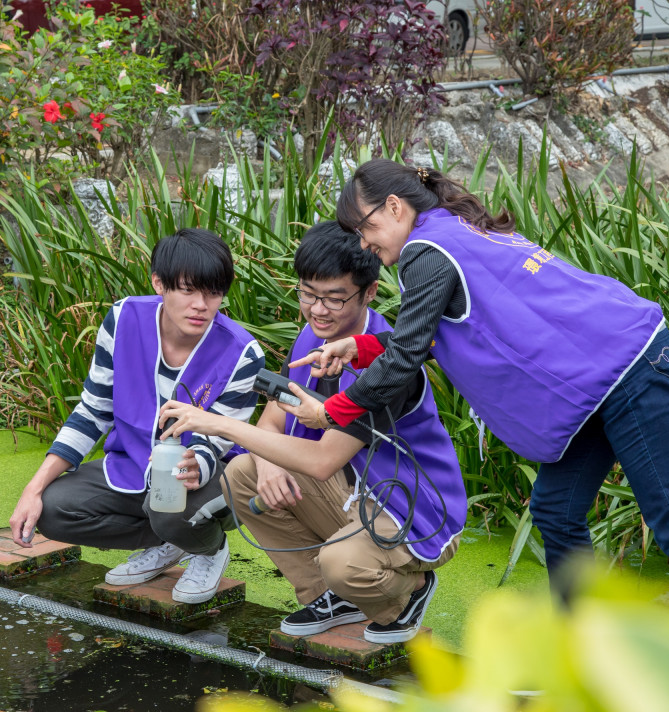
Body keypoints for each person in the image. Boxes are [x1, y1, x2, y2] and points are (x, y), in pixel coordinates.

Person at [289, 159, 669, 596]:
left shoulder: (425, 252)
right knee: (557, 513)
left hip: (628, 371)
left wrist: (331, 411)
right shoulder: (454, 227)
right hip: (600, 381)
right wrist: (361, 347)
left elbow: (405, 357)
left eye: (362, 228)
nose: (363, 244)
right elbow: (436, 336)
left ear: (393, 207)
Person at [159, 222, 466, 643]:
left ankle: (405, 593)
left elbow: (323, 462)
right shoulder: (311, 336)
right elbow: (272, 419)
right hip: (355, 492)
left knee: (344, 563)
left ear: (370, 292)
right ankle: (333, 597)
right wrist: (266, 465)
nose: (318, 310)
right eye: (308, 294)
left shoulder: (386, 363)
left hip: (412, 508)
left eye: (335, 298)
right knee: (244, 473)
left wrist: (215, 422)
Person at [8, 228, 263, 604]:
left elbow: (222, 440)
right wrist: (32, 488)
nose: (201, 305)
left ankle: (208, 548)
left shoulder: (243, 353)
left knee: (171, 504)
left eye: (213, 293)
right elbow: (93, 410)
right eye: (188, 290)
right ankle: (171, 542)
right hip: (131, 468)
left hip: (211, 479)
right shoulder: (124, 317)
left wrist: (197, 467)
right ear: (159, 283)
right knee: (53, 509)